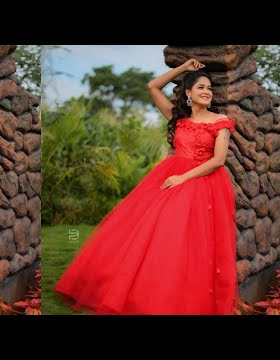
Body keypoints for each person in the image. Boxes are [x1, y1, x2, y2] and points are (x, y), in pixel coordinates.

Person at [54, 58, 238, 315]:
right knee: (156, 237)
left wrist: (182, 179)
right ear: (188, 93)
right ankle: (145, 296)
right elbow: (152, 86)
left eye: (210, 88)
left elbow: (218, 160)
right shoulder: (177, 118)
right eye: (201, 87)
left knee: (192, 244)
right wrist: (184, 68)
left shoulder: (221, 121)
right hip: (169, 178)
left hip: (203, 184)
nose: (207, 92)